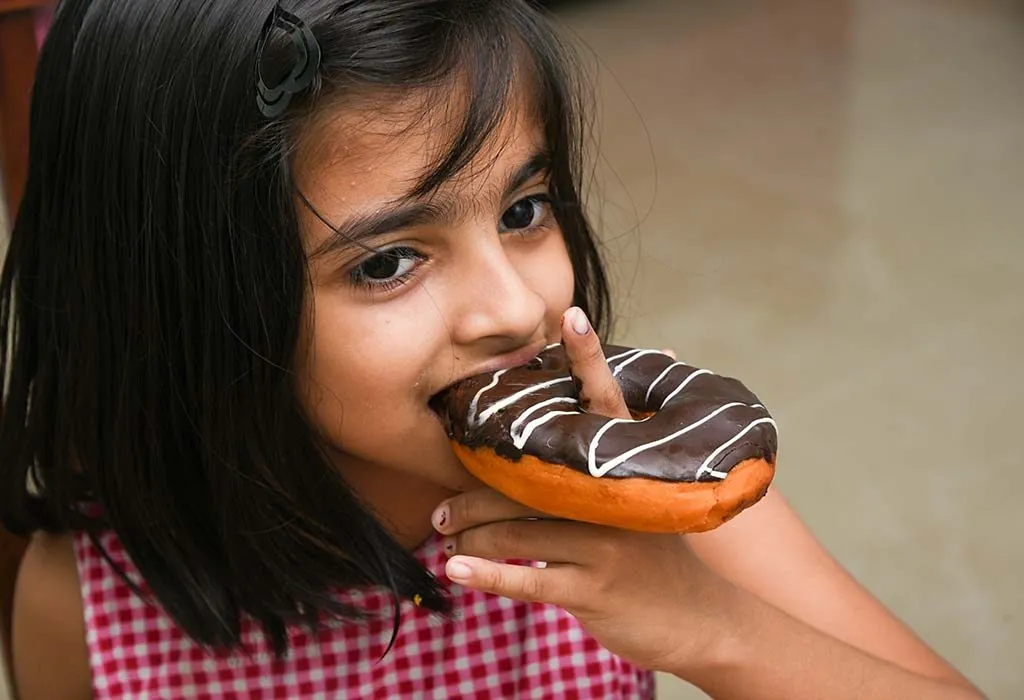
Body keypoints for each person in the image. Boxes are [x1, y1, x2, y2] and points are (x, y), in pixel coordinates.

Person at [0, 1, 985, 698]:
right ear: (186, 305)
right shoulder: (86, 609)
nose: (514, 308)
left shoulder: (634, 481)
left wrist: (707, 626)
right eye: (387, 262)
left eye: (523, 208)